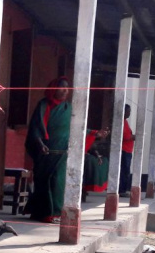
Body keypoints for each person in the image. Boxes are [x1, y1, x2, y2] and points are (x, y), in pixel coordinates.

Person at [24, 77, 108, 223]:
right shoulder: (43, 105)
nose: (65, 91)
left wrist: (95, 133)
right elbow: (35, 128)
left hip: (62, 154)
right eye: (62, 88)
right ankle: (41, 213)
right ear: (54, 89)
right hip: (45, 153)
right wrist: (40, 144)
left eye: (67, 88)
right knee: (43, 182)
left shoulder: (69, 108)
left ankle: (55, 213)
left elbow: (78, 128)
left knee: (58, 182)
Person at [119, 104, 136, 196]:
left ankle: (123, 189)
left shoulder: (125, 121)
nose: (129, 113)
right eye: (128, 111)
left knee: (126, 171)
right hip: (124, 150)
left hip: (128, 150)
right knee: (124, 171)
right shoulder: (121, 122)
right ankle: (121, 190)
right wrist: (133, 137)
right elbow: (125, 136)